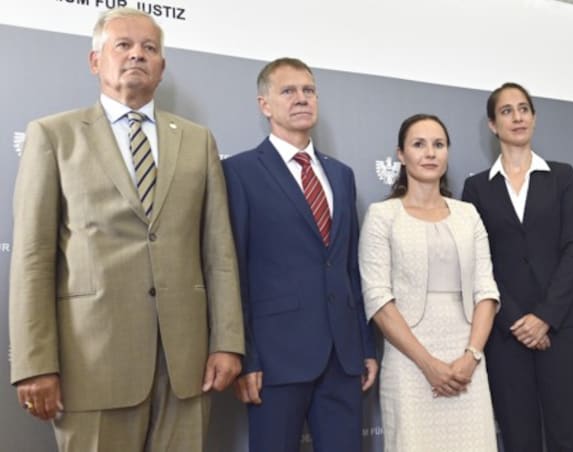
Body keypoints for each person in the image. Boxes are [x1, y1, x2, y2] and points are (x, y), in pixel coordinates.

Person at [8, 7, 244, 451]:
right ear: (95, 61)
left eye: (149, 48)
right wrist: (34, 363)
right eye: (124, 45)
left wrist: (228, 342)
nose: (137, 55)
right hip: (90, 364)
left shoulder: (198, 140)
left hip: (185, 367)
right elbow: (33, 257)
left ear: (162, 67)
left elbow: (219, 253)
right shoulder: (54, 136)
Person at [223, 57, 378, 452]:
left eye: (308, 90)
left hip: (342, 359)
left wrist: (363, 346)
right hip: (275, 360)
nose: (301, 98)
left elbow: (348, 269)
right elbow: (232, 271)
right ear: (265, 105)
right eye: (288, 91)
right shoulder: (239, 172)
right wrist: (248, 356)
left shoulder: (341, 175)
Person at [462, 83, 573, 451]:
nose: (517, 117)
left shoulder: (562, 176)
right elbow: (479, 263)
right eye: (506, 111)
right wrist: (519, 322)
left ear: (534, 117)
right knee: (520, 440)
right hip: (507, 335)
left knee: (569, 438)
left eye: (523, 109)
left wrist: (545, 317)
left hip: (564, 330)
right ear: (492, 124)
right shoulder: (476, 189)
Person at [359, 113, 500, 452]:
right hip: (409, 361)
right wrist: (428, 364)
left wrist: (471, 357)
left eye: (438, 144)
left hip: (467, 356)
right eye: (418, 144)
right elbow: (378, 299)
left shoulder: (468, 213)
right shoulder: (382, 216)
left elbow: (487, 290)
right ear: (401, 154)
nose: (430, 153)